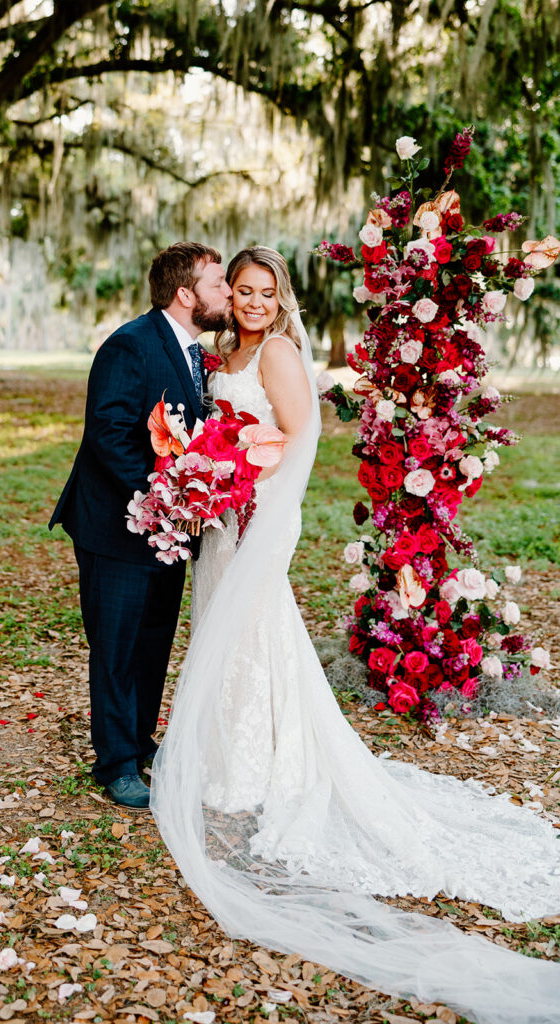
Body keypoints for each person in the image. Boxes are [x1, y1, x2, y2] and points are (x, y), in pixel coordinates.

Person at [150, 246, 560, 1023]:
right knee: (224, 630)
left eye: (266, 292)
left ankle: (252, 767)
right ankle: (230, 750)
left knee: (252, 629)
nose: (254, 302)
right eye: (242, 291)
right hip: (222, 514)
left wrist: (252, 499)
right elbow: (217, 430)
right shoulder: (220, 352)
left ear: (281, 299)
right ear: (226, 295)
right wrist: (206, 478)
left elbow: (299, 440)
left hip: (260, 514)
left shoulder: (274, 352)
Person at [50, 242, 232, 808]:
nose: (228, 293)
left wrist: (183, 507)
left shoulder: (195, 353)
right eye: (220, 283)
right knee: (116, 646)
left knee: (154, 640)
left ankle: (139, 736)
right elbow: (107, 434)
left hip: (170, 529)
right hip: (116, 524)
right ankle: (115, 763)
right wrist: (165, 498)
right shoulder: (130, 345)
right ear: (186, 294)